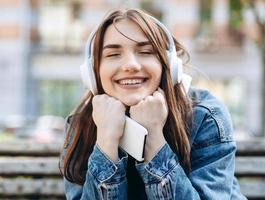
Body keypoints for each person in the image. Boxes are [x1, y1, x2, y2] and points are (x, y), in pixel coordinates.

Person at [59, 8, 247, 200]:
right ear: (92, 72)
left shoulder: (205, 115)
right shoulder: (80, 124)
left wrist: (155, 139)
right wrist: (106, 141)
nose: (130, 65)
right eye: (113, 54)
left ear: (169, 65)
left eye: (145, 51)